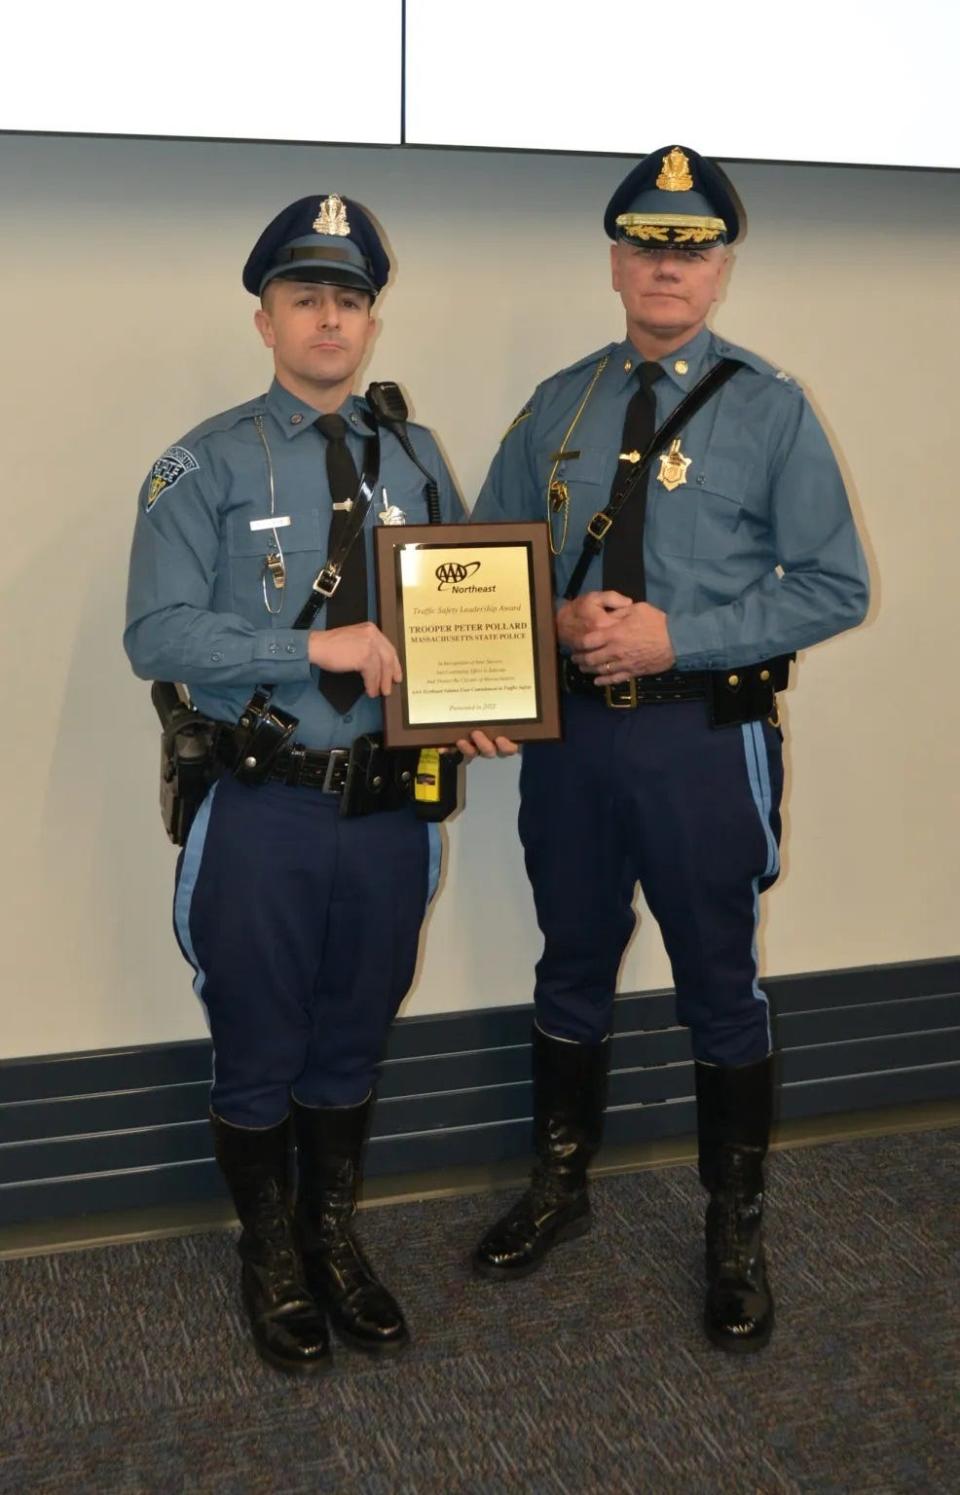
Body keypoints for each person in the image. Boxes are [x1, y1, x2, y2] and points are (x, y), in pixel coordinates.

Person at [470, 145, 869, 1352]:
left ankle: (733, 1226)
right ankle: (560, 1186)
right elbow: (478, 565)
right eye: (647, 247)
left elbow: (835, 585)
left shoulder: (771, 407)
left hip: (706, 742)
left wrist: (675, 636)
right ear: (614, 262)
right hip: (577, 748)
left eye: (691, 252)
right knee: (570, 960)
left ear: (722, 272)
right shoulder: (560, 404)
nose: (666, 269)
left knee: (720, 983)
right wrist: (550, 620)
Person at [125, 193, 494, 1376]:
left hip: (389, 809)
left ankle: (332, 1235)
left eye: (350, 299)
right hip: (265, 806)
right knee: (258, 1037)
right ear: (265, 319)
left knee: (353, 1031)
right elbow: (158, 633)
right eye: (306, 297)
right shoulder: (205, 460)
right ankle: (267, 1249)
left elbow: (455, 607)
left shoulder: (418, 453)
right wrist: (307, 648)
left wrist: (475, 699)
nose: (330, 319)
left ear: (371, 323)